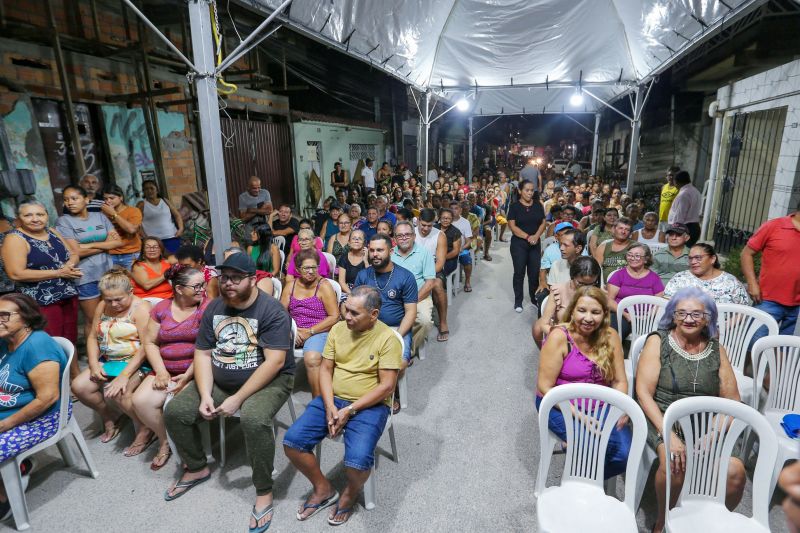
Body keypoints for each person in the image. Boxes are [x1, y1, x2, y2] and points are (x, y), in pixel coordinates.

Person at [163, 253, 293, 532]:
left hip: (269, 381)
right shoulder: (214, 308)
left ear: (252, 279)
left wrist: (238, 399)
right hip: (222, 381)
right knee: (175, 410)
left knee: (253, 419)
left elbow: (275, 362)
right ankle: (197, 467)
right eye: (224, 277)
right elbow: (203, 353)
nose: (228, 283)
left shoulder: (271, 311)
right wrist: (206, 393)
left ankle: (263, 490)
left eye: (236, 278)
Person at [283, 286, 401, 526]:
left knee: (356, 462)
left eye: (354, 313)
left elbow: (387, 387)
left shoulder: (387, 339)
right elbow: (326, 370)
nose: (346, 316)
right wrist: (329, 406)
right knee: (292, 442)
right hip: (334, 398)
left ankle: (349, 493)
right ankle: (323, 488)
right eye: (346, 310)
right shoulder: (338, 329)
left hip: (370, 405)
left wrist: (349, 410)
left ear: (374, 314)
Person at [636, 287, 745, 533]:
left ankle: (713, 521)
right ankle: (664, 522)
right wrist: (669, 435)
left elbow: (733, 400)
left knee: (735, 472)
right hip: (664, 415)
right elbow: (643, 393)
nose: (688, 319)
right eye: (681, 313)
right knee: (675, 462)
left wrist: (712, 435)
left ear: (708, 318)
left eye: (697, 314)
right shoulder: (658, 341)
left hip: (707, 420)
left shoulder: (717, 349)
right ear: (672, 316)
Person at [536, 285, 631, 477]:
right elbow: (545, 386)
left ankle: (586, 482)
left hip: (600, 404)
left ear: (604, 314)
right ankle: (578, 489)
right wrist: (579, 415)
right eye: (582, 310)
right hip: (561, 404)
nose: (588, 318)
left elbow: (620, 381)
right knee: (591, 447)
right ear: (572, 312)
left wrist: (620, 407)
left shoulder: (611, 336)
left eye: (595, 312)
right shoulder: (559, 337)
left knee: (624, 455)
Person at [133, 264, 208, 470]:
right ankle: (164, 439)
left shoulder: (207, 308)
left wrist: (188, 375)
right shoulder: (161, 309)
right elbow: (150, 343)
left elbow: (207, 348)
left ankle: (186, 448)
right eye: (197, 286)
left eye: (204, 284)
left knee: (175, 407)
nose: (203, 289)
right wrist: (162, 371)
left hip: (197, 369)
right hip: (165, 368)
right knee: (140, 401)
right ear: (179, 289)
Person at [0, 293, 68, 518]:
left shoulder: (38, 345)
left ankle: (4, 496)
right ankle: (20, 466)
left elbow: (47, 398)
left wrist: (5, 424)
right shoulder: (5, 340)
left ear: (27, 318)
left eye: (4, 315)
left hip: (43, 417)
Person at [71, 268, 153, 453]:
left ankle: (145, 428)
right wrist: (93, 364)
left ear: (130, 292)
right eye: (109, 299)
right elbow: (92, 337)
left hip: (137, 361)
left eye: (119, 299)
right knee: (79, 387)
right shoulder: (102, 306)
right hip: (109, 359)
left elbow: (146, 347)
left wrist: (125, 375)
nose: (114, 304)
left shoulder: (141, 309)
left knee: (120, 393)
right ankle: (110, 417)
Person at [2, 201, 81, 375]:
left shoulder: (51, 231)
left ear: (46, 215)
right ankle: (57, 384)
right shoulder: (15, 238)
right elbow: (16, 273)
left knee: (70, 338)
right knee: (51, 342)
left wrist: (69, 265)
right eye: (28, 215)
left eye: (40, 214)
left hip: (67, 293)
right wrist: (60, 272)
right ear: (18, 219)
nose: (35, 219)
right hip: (40, 300)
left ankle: (75, 379)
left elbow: (73, 253)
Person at [354, 235, 417, 410]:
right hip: (367, 328)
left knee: (399, 363)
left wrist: (395, 336)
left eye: (380, 250)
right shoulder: (363, 275)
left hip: (396, 329)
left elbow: (411, 312)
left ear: (390, 251)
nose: (375, 254)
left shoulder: (405, 276)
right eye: (372, 250)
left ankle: (391, 392)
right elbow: (353, 306)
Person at [57, 185, 123, 352]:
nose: (69, 203)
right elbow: (76, 251)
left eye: (74, 198)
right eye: (66, 199)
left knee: (112, 314)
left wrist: (90, 244)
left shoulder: (100, 216)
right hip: (85, 276)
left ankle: (115, 350)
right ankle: (96, 353)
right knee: (93, 319)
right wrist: (106, 245)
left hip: (107, 273)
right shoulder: (63, 221)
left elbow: (118, 242)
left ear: (86, 199)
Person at [281, 250, 340, 398]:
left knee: (312, 358)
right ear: (297, 269)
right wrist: (291, 330)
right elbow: (281, 313)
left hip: (319, 330)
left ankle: (318, 403)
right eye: (306, 268)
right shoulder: (291, 285)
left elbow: (334, 316)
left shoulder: (323, 285)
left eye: (314, 267)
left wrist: (310, 331)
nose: (311, 272)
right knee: (268, 347)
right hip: (296, 330)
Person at [741, 203, 800, 341]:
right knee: (753, 345)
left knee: (786, 352)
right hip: (767, 299)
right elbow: (746, 254)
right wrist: (752, 283)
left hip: (797, 307)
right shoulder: (774, 226)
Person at [532, 257, 601, 347]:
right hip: (563, 335)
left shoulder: (597, 293)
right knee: (537, 327)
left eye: (591, 284)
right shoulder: (558, 290)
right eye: (581, 283)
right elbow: (544, 324)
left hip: (589, 336)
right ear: (572, 277)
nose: (586, 288)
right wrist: (564, 336)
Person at [391, 220, 436, 357]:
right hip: (394, 298)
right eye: (400, 235)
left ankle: (408, 350)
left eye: (407, 234)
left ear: (414, 236)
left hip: (419, 297)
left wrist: (412, 301)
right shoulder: (390, 254)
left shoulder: (424, 253)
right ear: (395, 239)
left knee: (425, 321)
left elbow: (430, 283)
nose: (404, 238)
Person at [606, 243, 665, 339]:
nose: (632, 258)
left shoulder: (654, 278)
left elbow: (659, 302)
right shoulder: (618, 275)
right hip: (622, 315)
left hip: (648, 318)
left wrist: (647, 317)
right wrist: (626, 315)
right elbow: (609, 300)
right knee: (613, 334)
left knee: (659, 336)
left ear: (646, 259)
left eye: (637, 256)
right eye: (629, 255)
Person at [664, 243, 750, 305]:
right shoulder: (680, 278)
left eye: (698, 258)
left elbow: (742, 311)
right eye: (690, 258)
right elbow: (665, 303)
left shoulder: (730, 282)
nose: (693, 262)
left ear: (712, 259)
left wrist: (725, 328)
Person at [506, 179, 546, 313]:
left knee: (534, 273)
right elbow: (512, 226)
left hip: (535, 243)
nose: (530, 193)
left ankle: (534, 299)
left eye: (532, 190)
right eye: (527, 190)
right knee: (519, 273)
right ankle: (518, 300)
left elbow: (543, 223)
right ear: (520, 191)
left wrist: (536, 236)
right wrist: (528, 237)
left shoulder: (538, 205)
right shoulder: (514, 206)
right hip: (519, 244)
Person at [415, 209, 450, 342]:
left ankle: (443, 322)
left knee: (437, 284)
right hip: (413, 267)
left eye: (429, 226)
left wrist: (425, 276)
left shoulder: (439, 235)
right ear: (418, 221)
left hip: (433, 268)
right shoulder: (410, 232)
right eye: (423, 225)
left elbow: (440, 263)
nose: (425, 228)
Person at [137, 179, 184, 253]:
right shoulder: (141, 204)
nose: (149, 191)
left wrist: (181, 229)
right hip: (153, 241)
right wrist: (145, 237)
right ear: (143, 191)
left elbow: (177, 215)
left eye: (151, 188)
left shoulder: (165, 201)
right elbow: (137, 223)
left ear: (157, 190)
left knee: (174, 260)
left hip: (171, 237)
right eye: (146, 189)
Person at [102, 185, 142, 271]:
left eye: (111, 198)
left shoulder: (133, 211)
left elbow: (131, 230)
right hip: (110, 254)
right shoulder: (103, 213)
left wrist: (114, 214)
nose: (108, 201)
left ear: (121, 197)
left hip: (131, 253)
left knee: (133, 283)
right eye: (105, 199)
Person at [593, 217, 635, 285]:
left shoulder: (636, 247)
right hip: (607, 287)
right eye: (620, 228)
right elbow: (596, 270)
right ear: (613, 229)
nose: (623, 232)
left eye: (627, 229)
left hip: (630, 286)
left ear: (630, 233)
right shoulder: (603, 247)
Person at [667, 171, 702, 246]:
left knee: (680, 253)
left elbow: (680, 215)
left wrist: (675, 232)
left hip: (684, 228)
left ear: (677, 181)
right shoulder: (696, 191)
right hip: (694, 227)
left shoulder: (684, 194)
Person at [450, 201, 475, 292]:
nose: (453, 211)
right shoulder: (445, 220)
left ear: (460, 210)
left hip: (461, 249)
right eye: (451, 209)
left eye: (456, 208)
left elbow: (469, 241)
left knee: (467, 260)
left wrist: (462, 248)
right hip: (447, 249)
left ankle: (467, 281)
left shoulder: (465, 222)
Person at [337, 230, 368, 301]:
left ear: (364, 243)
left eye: (359, 238)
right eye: (354, 238)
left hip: (364, 291)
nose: (356, 240)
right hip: (347, 290)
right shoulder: (344, 257)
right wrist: (351, 294)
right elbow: (341, 281)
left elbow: (370, 280)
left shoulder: (368, 258)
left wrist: (366, 261)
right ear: (349, 242)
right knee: (344, 306)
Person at [658, 167, 680, 231]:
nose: (671, 177)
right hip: (661, 219)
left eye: (673, 175)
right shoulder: (664, 187)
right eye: (669, 175)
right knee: (660, 239)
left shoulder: (679, 188)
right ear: (666, 176)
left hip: (672, 220)